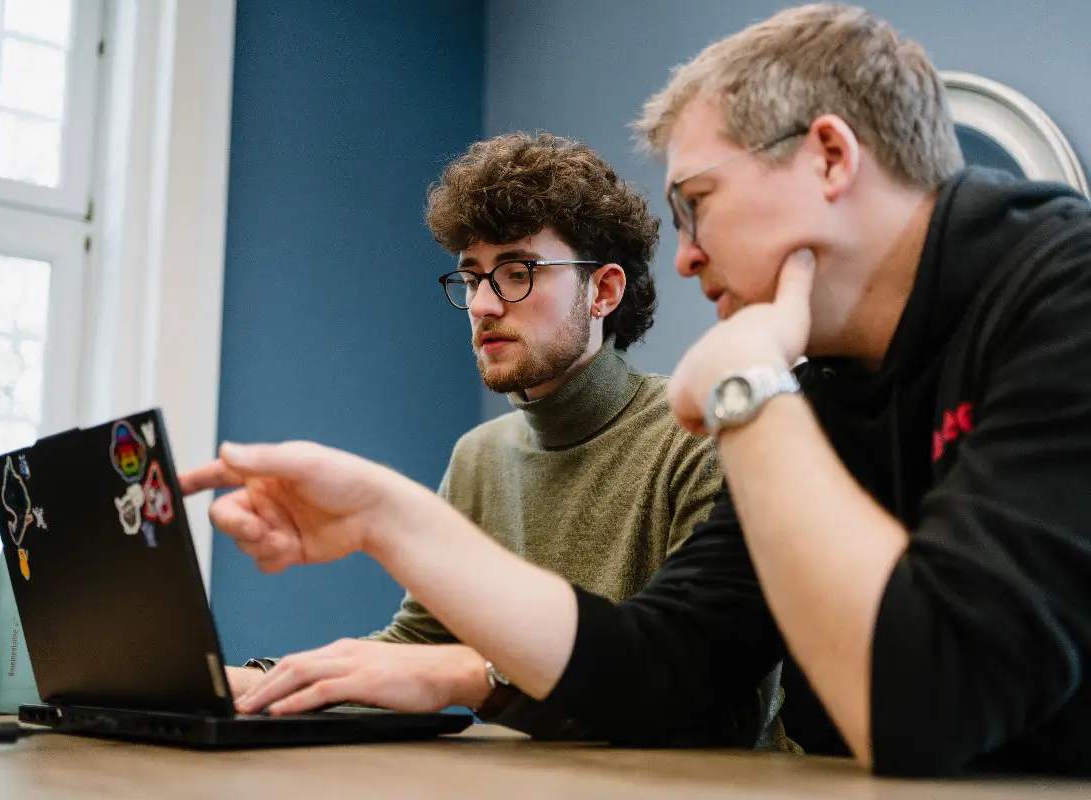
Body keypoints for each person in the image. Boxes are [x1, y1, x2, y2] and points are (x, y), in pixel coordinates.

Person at [183, 2, 1091, 776]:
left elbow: (928, 704)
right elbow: (661, 664)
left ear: (827, 157)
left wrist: (746, 387)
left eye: (697, 203)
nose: (688, 253)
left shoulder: (1064, 294)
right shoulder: (826, 380)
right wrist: (389, 518)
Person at [200, 133, 770, 741]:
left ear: (603, 291)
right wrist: (258, 684)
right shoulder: (480, 456)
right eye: (472, 278)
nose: (483, 304)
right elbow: (422, 645)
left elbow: (713, 706)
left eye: (517, 272)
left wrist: (484, 676)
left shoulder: (701, 440)